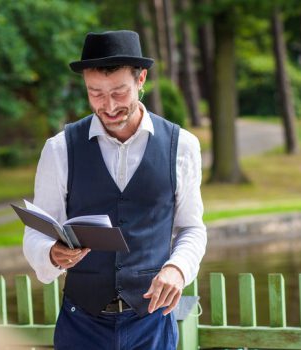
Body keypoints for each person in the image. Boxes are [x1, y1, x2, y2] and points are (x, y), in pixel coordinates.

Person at [23, 30, 206, 350]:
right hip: (80, 323)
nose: (108, 106)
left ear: (141, 79)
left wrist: (178, 269)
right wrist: (51, 253)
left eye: (119, 92)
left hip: (152, 322)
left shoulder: (183, 147)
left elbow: (191, 227)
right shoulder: (59, 149)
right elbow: (36, 231)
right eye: (95, 93)